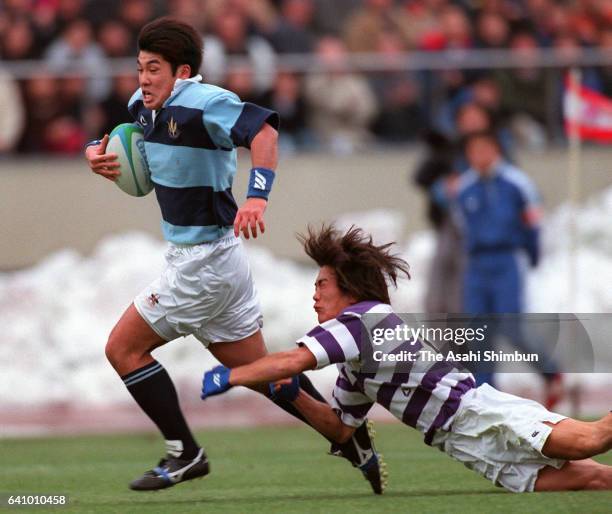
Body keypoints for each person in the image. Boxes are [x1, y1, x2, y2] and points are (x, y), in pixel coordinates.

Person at [84, 17, 382, 493]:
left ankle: (185, 453)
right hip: (219, 263)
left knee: (122, 349)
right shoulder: (142, 107)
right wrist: (95, 157)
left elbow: (264, 134)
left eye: (154, 69)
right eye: (140, 67)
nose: (143, 78)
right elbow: (134, 162)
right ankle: (343, 433)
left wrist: (257, 196)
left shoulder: (206, 103)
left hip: (201, 265)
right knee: (263, 374)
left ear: (182, 72)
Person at [201, 225, 612, 493]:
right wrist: (295, 397)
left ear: (347, 288)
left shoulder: (362, 319)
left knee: (591, 440)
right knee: (594, 479)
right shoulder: (353, 363)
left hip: (478, 412)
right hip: (462, 444)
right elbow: (342, 431)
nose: (315, 294)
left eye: (321, 284)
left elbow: (294, 360)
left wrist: (233, 375)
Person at [434, 130, 563, 408]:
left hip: (506, 260)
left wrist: (533, 255)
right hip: (477, 265)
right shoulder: (464, 188)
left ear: (496, 150)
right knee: (478, 332)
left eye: (484, 149)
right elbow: (459, 225)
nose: (479, 156)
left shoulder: (516, 183)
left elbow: (533, 221)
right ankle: (485, 396)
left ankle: (550, 370)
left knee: (511, 326)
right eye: (473, 151)